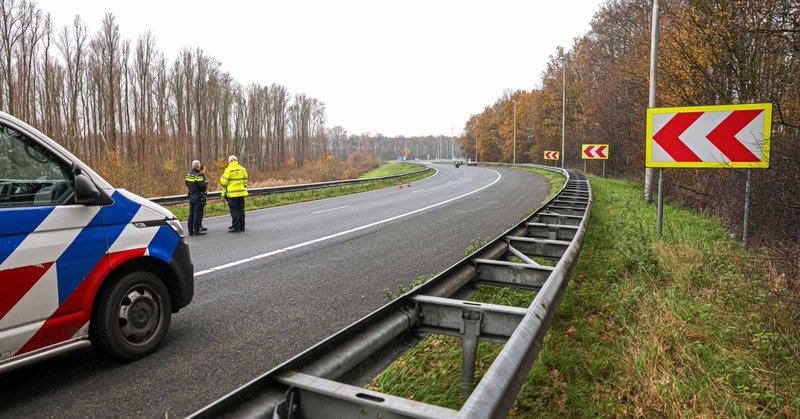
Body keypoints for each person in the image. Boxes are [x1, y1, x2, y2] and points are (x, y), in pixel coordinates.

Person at [220, 155, 248, 233]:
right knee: (241, 210)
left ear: (231, 161)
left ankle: (236, 227)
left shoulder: (228, 169)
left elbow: (224, 182)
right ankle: (242, 226)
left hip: (232, 194)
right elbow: (245, 181)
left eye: (228, 161)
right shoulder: (243, 169)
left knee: (234, 211)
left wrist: (221, 178)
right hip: (241, 193)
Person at [185, 160, 208, 236]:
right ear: (198, 166)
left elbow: (187, 184)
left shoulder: (189, 175)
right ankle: (196, 230)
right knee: (197, 214)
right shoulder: (198, 175)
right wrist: (205, 182)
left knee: (191, 214)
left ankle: (190, 230)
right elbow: (203, 186)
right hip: (198, 196)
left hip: (191, 196)